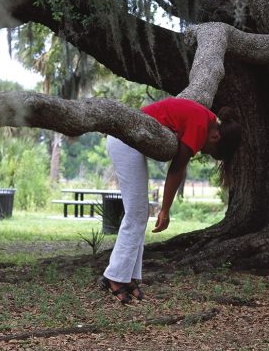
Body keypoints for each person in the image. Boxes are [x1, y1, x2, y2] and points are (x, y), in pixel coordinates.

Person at [100, 97, 240, 305]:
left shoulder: (205, 119)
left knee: (139, 213)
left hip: (129, 143)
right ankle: (114, 276)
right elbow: (177, 168)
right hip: (123, 142)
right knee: (136, 214)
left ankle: (128, 277)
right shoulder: (200, 123)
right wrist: (165, 210)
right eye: (211, 152)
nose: (203, 152)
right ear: (215, 136)